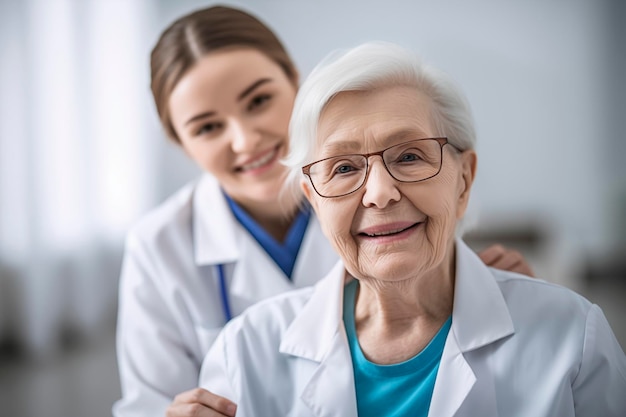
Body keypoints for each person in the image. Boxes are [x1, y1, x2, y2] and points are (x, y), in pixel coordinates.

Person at [113, 6, 535, 417]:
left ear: (295, 84)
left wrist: (483, 294)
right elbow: (146, 402)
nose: (245, 140)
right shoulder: (159, 246)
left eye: (258, 100)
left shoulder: (389, 199)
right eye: (207, 127)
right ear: (178, 142)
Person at [198, 41, 626, 416]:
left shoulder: (573, 336)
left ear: (464, 179)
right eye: (344, 168)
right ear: (314, 201)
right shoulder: (245, 352)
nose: (379, 193)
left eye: (409, 157)